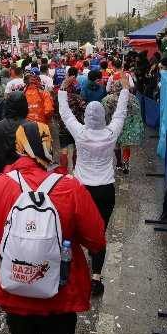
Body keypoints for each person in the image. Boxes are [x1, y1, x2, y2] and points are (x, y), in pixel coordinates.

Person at [0, 121, 106, 334]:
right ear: (48, 146)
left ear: (18, 147)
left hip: (15, 289)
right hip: (60, 292)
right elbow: (96, 241)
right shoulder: (70, 187)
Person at [58, 73, 130, 295]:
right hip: (106, 189)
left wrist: (62, 88)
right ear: (102, 117)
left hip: (81, 190)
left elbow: (65, 113)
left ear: (87, 117)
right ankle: (96, 277)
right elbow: (120, 112)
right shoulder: (111, 133)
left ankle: (66, 271)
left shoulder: (80, 133)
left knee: (70, 232)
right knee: (99, 234)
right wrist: (125, 89)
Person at [102, 80, 144, 175]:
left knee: (116, 145)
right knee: (126, 145)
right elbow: (137, 112)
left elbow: (104, 113)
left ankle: (118, 163)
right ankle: (126, 164)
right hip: (128, 125)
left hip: (114, 125)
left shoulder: (107, 99)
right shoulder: (132, 98)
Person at [54, 75, 85, 174]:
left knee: (64, 150)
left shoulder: (57, 98)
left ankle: (63, 173)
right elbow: (86, 108)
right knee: (76, 149)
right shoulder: (77, 98)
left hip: (62, 127)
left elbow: (54, 111)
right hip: (76, 127)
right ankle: (76, 169)